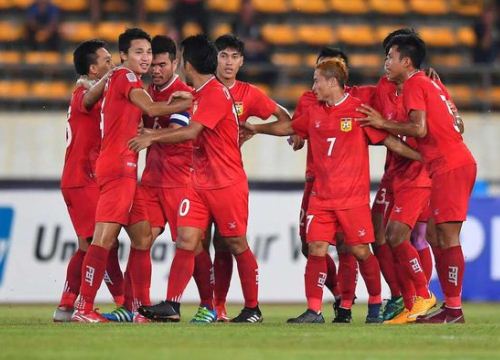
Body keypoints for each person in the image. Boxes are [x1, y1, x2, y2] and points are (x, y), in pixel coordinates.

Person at [242, 58, 422, 323]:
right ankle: (314, 310)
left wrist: (420, 157)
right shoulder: (314, 111)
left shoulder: (359, 112)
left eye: (317, 80)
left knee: (361, 251)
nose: (313, 86)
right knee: (315, 248)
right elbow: (290, 127)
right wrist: (257, 128)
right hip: (321, 198)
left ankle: (374, 303)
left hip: (352, 200)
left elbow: (388, 141)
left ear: (332, 82)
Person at [130, 35, 262, 324]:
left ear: (187, 64)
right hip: (199, 183)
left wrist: (152, 136)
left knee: (236, 244)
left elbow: (191, 132)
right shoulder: (201, 92)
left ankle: (253, 308)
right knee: (187, 241)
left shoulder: (213, 93)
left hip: (226, 182)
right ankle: (173, 305)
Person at [71, 28, 192, 323]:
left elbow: (88, 101)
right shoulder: (125, 76)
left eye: (149, 53)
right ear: (123, 56)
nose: (146, 58)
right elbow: (150, 107)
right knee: (104, 239)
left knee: (142, 236)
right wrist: (189, 101)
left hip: (124, 169)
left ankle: (139, 309)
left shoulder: (121, 78)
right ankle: (83, 307)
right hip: (117, 167)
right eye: (139, 52)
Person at [358, 33, 477, 324]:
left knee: (446, 237)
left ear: (406, 61)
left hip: (450, 165)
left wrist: (381, 122)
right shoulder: (430, 83)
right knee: (436, 235)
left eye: (390, 57)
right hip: (447, 165)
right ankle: (450, 307)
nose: (386, 62)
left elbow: (419, 129)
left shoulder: (413, 83)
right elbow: (454, 123)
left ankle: (453, 309)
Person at [210, 34, 291, 321]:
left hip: (229, 177)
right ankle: (213, 308)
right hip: (194, 178)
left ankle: (246, 307)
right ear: (214, 58)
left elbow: (286, 119)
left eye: (234, 57)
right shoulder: (201, 89)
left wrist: (256, 130)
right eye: (223, 56)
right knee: (194, 243)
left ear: (242, 61)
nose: (229, 62)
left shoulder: (249, 94)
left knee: (230, 242)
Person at [54, 40, 126, 322]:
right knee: (99, 244)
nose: (113, 64)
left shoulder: (92, 92)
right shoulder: (84, 93)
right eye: (106, 61)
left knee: (94, 244)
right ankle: (113, 301)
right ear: (93, 69)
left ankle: (68, 304)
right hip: (82, 179)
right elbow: (89, 95)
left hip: (84, 178)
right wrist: (115, 75)